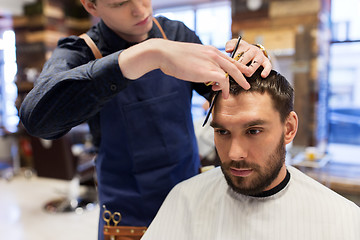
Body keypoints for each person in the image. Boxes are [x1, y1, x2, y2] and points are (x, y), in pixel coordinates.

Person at [19, 0, 272, 239]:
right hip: (127, 213)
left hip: (191, 196)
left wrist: (253, 62)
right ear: (90, 5)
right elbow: (38, 119)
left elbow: (229, 91)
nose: (140, 10)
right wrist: (149, 54)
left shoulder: (175, 33)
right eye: (120, 3)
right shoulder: (82, 52)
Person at [140, 68, 360, 240]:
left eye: (254, 131)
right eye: (223, 131)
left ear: (289, 128)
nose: (235, 153)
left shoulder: (342, 218)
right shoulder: (185, 200)